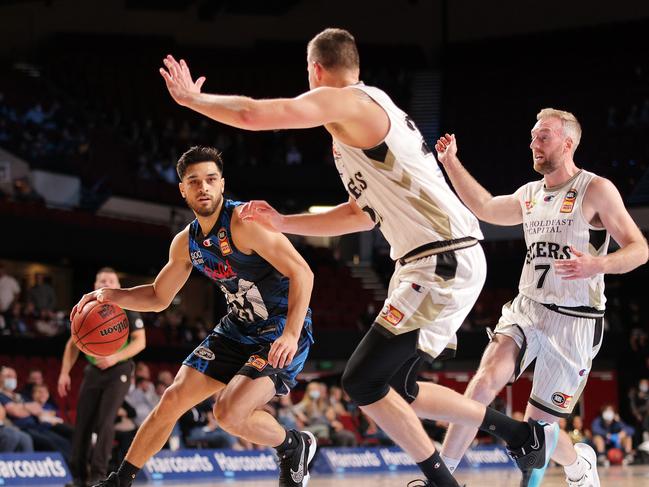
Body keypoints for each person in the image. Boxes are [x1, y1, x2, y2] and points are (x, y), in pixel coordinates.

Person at [159, 28, 561, 487]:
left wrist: (194, 100)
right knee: (398, 388)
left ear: (315, 71)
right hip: (428, 260)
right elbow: (361, 214)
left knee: (363, 382)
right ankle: (521, 436)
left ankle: (446, 480)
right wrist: (285, 222)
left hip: (440, 258)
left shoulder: (350, 101)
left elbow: (257, 113)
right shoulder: (357, 132)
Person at [434, 108, 648, 486]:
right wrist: (451, 164)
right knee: (485, 381)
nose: (534, 143)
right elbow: (484, 207)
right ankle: (442, 476)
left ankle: (578, 461)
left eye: (543, 136)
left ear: (568, 143)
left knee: (538, 431)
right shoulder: (529, 194)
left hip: (575, 320)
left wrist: (597, 265)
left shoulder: (595, 189)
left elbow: (639, 249)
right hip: (528, 308)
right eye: (533, 136)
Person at [81, 146, 316, 487]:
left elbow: (303, 273)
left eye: (210, 180)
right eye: (194, 181)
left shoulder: (245, 225)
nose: (203, 187)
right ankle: (120, 481)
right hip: (236, 328)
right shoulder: (185, 243)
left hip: (279, 329)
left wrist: (291, 334)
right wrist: (110, 296)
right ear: (183, 189)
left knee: (227, 414)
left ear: (222, 184)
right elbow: (159, 297)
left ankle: (293, 445)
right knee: (173, 398)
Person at [58, 268, 146, 487]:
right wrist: (64, 373)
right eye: (101, 279)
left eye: (110, 280)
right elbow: (73, 343)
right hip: (94, 370)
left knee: (106, 421)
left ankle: (98, 476)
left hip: (119, 370)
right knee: (83, 422)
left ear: (117, 286)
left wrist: (115, 357)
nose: (105, 282)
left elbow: (140, 342)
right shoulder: (85, 309)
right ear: (95, 284)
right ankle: (78, 476)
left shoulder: (126, 307)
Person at [0, 366, 71, 460]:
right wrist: (28, 408)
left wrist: (23, 408)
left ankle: (71, 468)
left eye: (14, 376)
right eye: (8, 376)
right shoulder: (1, 396)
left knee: (63, 441)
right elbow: (16, 412)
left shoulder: (19, 396)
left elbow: (37, 410)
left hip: (37, 426)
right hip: (22, 427)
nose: (12, 379)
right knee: (49, 443)